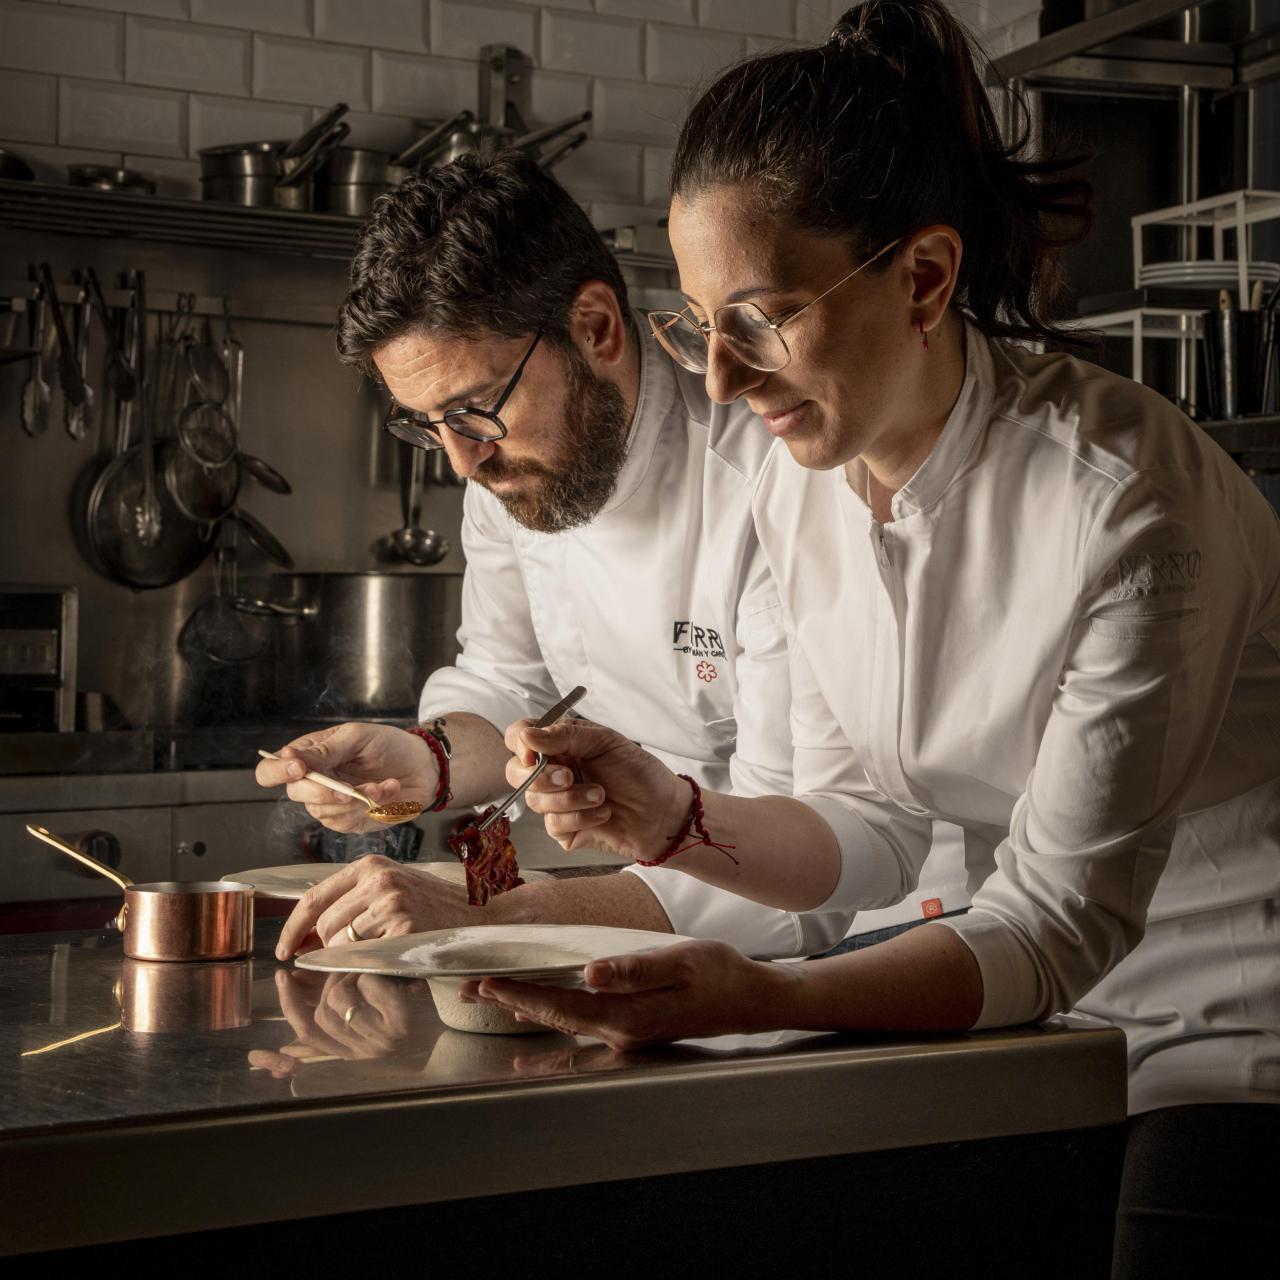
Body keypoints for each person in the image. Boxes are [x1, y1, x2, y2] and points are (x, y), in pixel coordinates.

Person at [462, 5, 1280, 1274]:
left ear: (923, 277)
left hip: (1222, 1022)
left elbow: (1061, 915)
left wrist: (772, 995)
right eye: (697, 322)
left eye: (762, 317)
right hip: (1014, 1012)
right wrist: (676, 816)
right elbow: (868, 826)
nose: (721, 381)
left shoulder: (1124, 501)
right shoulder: (803, 483)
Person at [256, 151, 964, 962]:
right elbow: (509, 684)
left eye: (474, 411)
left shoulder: (776, 479)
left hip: (894, 929)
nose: (459, 462)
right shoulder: (512, 469)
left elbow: (804, 870)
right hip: (673, 900)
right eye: (424, 424)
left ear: (594, 327)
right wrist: (425, 762)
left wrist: (499, 914)